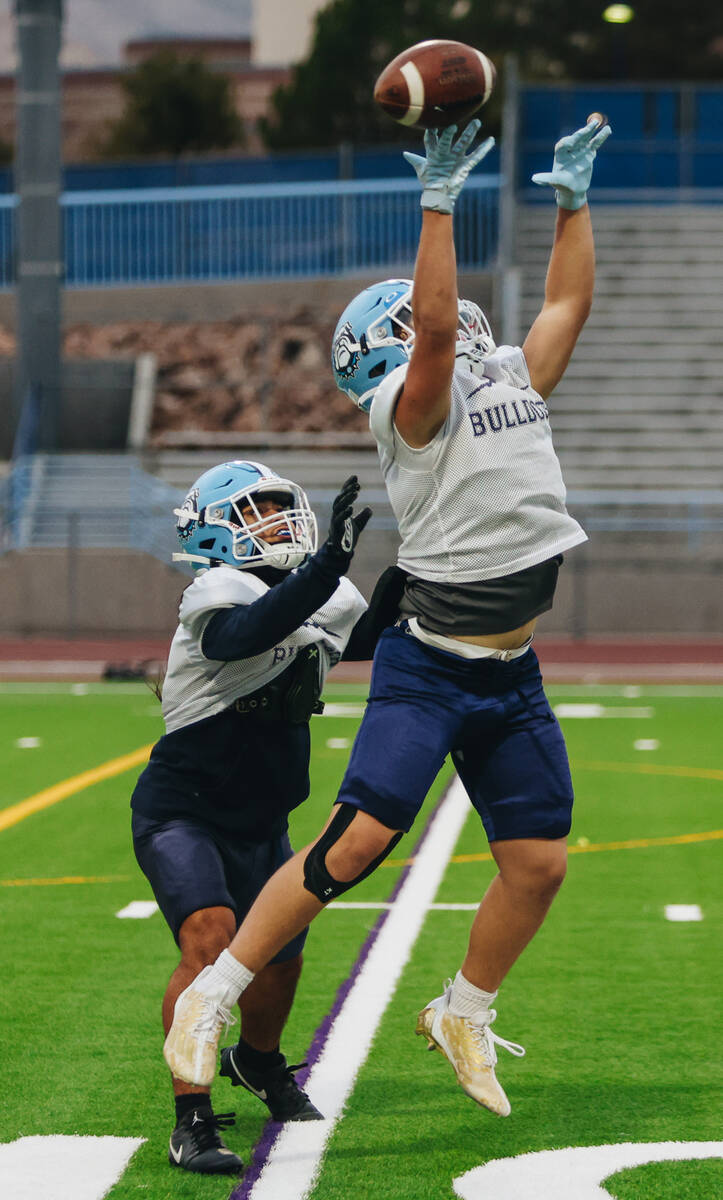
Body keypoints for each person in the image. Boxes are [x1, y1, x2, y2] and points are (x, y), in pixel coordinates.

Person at [162, 115, 611, 1120]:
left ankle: (463, 1009)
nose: (430, 326)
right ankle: (214, 995)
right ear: (384, 359)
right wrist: (439, 202)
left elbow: (567, 303)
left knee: (538, 864)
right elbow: (443, 335)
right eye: (407, 326)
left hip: (511, 670)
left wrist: (573, 205)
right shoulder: (409, 410)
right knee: (355, 843)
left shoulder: (504, 382)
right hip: (433, 664)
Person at [131, 459, 403, 1174]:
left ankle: (255, 1060)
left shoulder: (316, 592)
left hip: (263, 816)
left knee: (279, 963)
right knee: (210, 942)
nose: (277, 521)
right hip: (184, 812)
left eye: (281, 506)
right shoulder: (216, 591)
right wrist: (324, 569)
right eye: (256, 511)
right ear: (215, 530)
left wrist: (406, 579)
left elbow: (359, 639)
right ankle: (190, 1118)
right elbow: (240, 637)